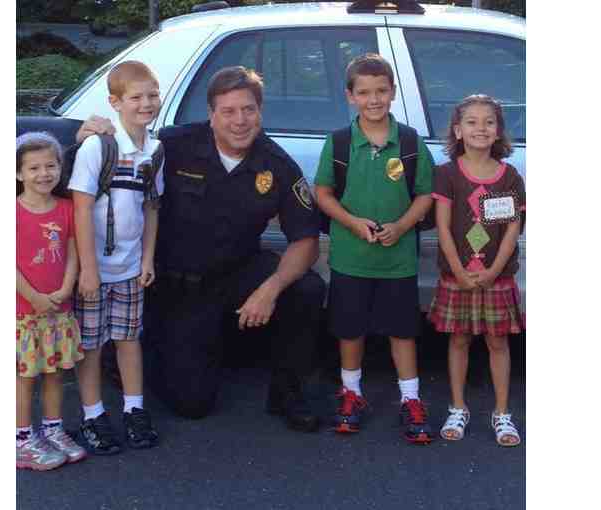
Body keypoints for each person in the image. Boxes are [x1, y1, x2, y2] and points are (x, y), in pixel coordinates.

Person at [77, 66, 325, 432]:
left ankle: (289, 394)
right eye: (228, 111)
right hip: (178, 287)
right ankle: (142, 353)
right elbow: (110, 163)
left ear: (260, 111)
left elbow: (306, 240)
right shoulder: (173, 146)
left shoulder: (277, 164)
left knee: (306, 288)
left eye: (248, 110)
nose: (239, 121)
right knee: (191, 404)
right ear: (211, 114)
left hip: (237, 273)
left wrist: (269, 291)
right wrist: (91, 136)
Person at [314, 53, 435, 443]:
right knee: (350, 330)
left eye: (381, 91)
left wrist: (401, 226)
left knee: (403, 331)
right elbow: (323, 193)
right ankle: (352, 394)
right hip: (352, 259)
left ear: (393, 93)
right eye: (364, 92)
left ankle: (410, 399)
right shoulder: (339, 142)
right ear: (350, 96)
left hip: (398, 261)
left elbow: (424, 195)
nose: (374, 99)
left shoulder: (411, 142)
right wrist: (352, 222)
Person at [69, 61, 162, 455]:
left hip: (129, 268)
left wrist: (148, 258)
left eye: (152, 95)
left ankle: (134, 409)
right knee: (91, 345)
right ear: (115, 102)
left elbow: (151, 207)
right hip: (97, 270)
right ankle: (92, 415)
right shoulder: (99, 146)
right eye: (136, 97)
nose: (146, 104)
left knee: (128, 339)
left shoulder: (155, 149)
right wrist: (88, 270)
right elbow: (79, 208)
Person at [427, 94, 525, 447]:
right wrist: (458, 270)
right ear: (458, 130)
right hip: (458, 276)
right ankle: (458, 407)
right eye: (471, 122)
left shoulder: (509, 176)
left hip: (496, 276)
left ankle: (502, 413)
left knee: (498, 342)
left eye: (488, 122)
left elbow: (512, 228)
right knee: (459, 339)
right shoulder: (447, 174)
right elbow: (442, 227)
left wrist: (494, 270)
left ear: (498, 130)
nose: (480, 128)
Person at [16, 132, 87, 470]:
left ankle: (53, 429)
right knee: (25, 377)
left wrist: (66, 287)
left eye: (50, 165)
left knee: (56, 373)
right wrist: (34, 297)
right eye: (33, 168)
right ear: (18, 174)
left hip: (59, 308)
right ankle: (22, 438)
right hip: (25, 312)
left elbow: (73, 251)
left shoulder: (66, 208)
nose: (43, 174)